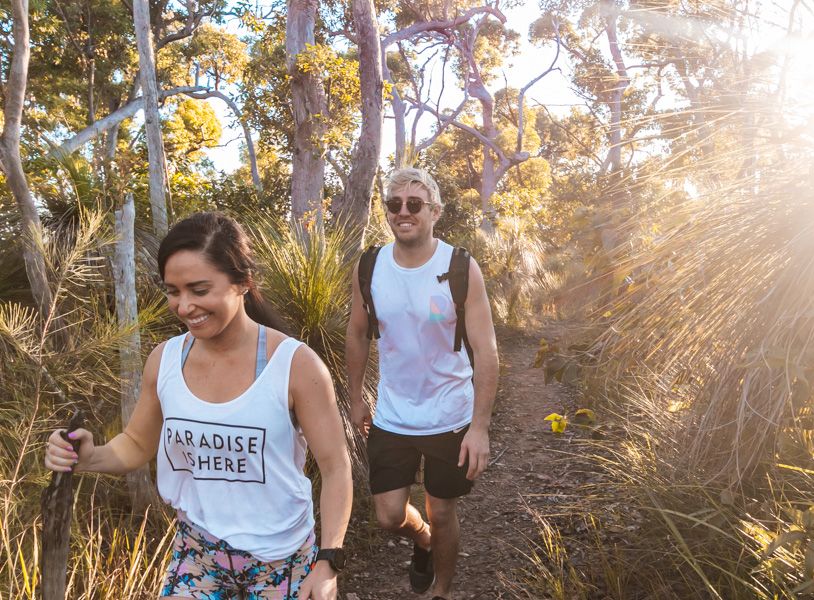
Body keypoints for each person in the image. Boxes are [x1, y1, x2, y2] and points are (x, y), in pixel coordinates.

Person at [44, 212, 352, 600]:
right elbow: (136, 444)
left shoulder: (295, 364)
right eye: (173, 291)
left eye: (199, 290)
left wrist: (328, 561)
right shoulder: (166, 360)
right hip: (197, 553)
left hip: (283, 558)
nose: (185, 306)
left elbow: (336, 466)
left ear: (242, 282)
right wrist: (89, 457)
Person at [345, 168, 499, 600]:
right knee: (389, 516)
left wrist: (480, 426)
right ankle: (424, 540)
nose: (403, 212)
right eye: (394, 204)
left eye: (414, 204)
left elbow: (486, 351)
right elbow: (357, 333)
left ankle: (441, 590)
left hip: (449, 414)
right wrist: (356, 398)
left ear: (434, 211)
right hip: (393, 413)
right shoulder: (370, 265)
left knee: (443, 510)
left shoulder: (459, 267)